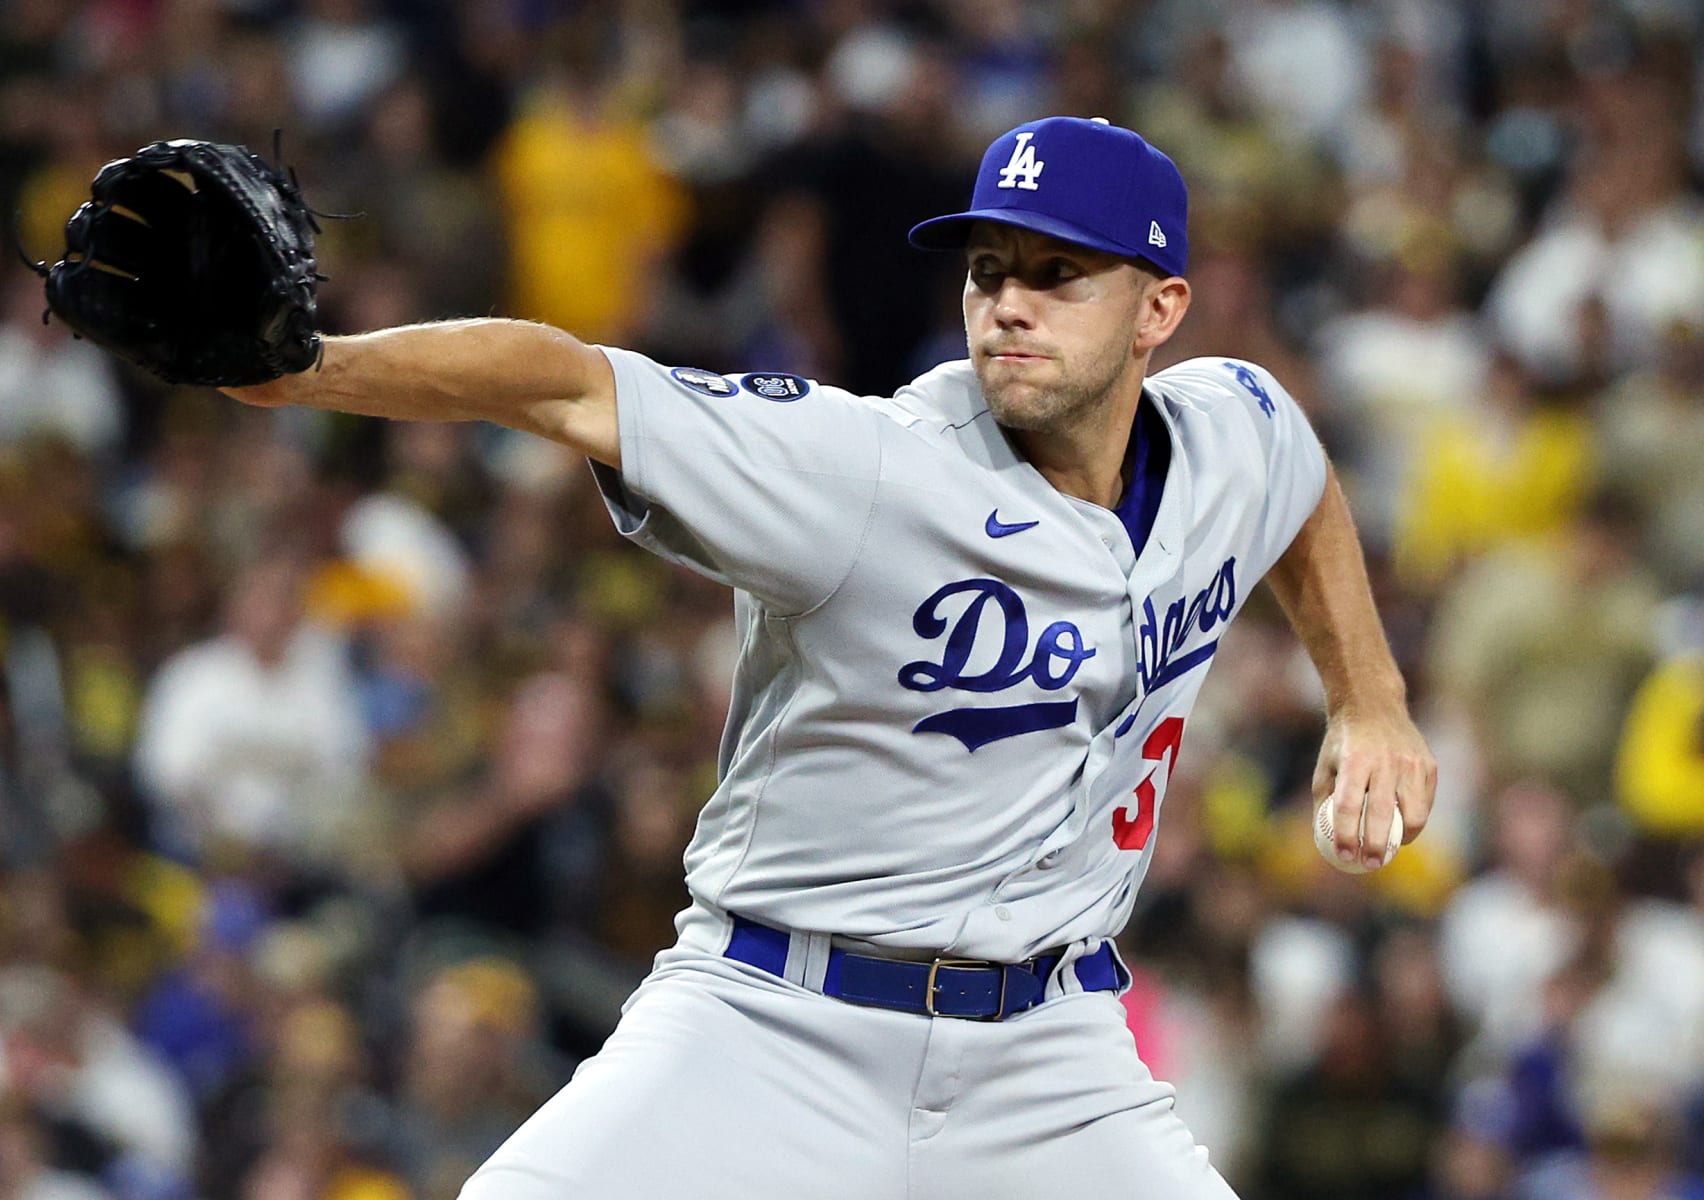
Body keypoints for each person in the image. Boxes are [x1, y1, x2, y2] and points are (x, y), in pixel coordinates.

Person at [224, 116, 1437, 1198]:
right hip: (771, 1024)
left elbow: (1300, 484)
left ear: (1160, 309)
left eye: (1058, 273)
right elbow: (563, 387)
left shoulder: (1231, 429)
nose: (1008, 303)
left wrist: (1369, 700)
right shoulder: (866, 469)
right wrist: (309, 369)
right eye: (988, 270)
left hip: (1049, 1055)